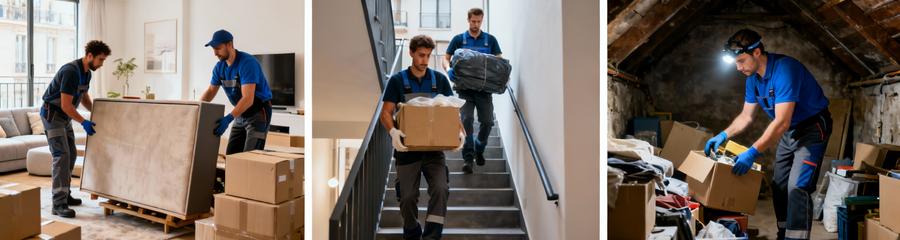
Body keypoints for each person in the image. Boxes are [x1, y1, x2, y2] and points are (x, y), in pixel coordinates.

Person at [707, 29, 832, 240]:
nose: (738, 68)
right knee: (780, 184)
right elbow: (746, 117)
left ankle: (797, 238)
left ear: (756, 52)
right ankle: (784, 233)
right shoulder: (753, 79)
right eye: (736, 63)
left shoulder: (785, 70)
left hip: (812, 128)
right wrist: (723, 135)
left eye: (741, 61)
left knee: (797, 188)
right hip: (790, 130)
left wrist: (752, 152)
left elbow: (781, 121)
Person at [381, 35, 462, 240]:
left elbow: (453, 112)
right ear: (411, 53)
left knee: (441, 189)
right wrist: (393, 132)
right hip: (407, 151)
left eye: (428, 55)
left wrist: (460, 133)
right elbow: (386, 112)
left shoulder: (440, 80)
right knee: (407, 197)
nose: (425, 60)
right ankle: (412, 230)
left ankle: (432, 236)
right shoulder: (398, 81)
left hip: (434, 151)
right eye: (420, 55)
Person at [41, 40, 110, 218]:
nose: (102, 64)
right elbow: (65, 105)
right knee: (61, 155)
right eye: (100, 60)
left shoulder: (86, 73)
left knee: (70, 153)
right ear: (89, 56)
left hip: (64, 117)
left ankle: (65, 194)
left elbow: (83, 96)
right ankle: (58, 203)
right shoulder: (71, 71)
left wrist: (96, 111)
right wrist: (83, 122)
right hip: (53, 116)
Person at [442, 8, 502, 174]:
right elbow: (445, 57)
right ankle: (468, 158)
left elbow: (499, 61)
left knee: (488, 121)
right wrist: (448, 70)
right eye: (473, 21)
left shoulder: (490, 40)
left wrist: (499, 76)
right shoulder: (458, 40)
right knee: (466, 119)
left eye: (479, 21)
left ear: (482, 20)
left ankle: (479, 148)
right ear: (468, 20)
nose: (476, 24)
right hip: (465, 90)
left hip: (484, 91)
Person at [199, 29, 274, 154]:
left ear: (229, 44)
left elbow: (248, 99)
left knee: (250, 158)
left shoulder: (247, 63)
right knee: (232, 157)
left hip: (258, 112)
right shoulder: (219, 67)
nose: (215, 53)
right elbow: (211, 91)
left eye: (218, 48)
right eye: (213, 49)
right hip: (241, 113)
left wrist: (228, 118)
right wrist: (198, 108)